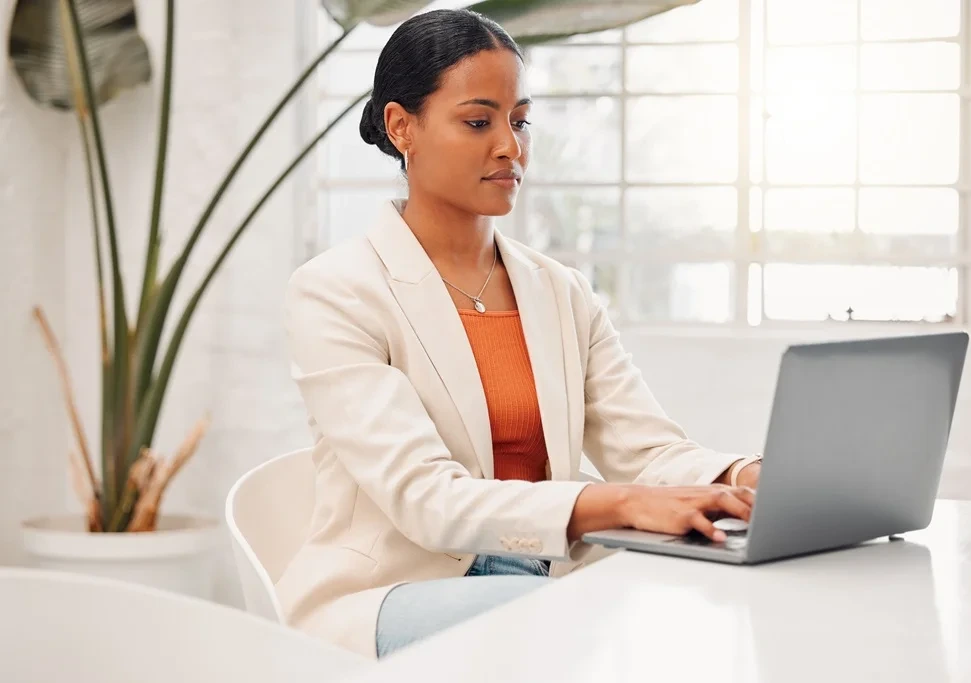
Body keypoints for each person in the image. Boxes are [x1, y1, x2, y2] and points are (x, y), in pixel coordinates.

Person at [276, 7, 762, 661]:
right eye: (479, 121)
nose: (511, 145)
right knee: (583, 624)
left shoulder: (560, 290)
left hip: (540, 575)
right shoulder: (336, 291)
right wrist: (618, 503)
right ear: (402, 127)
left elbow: (646, 449)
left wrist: (744, 474)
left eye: (520, 119)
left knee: (687, 603)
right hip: (395, 587)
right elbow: (427, 499)